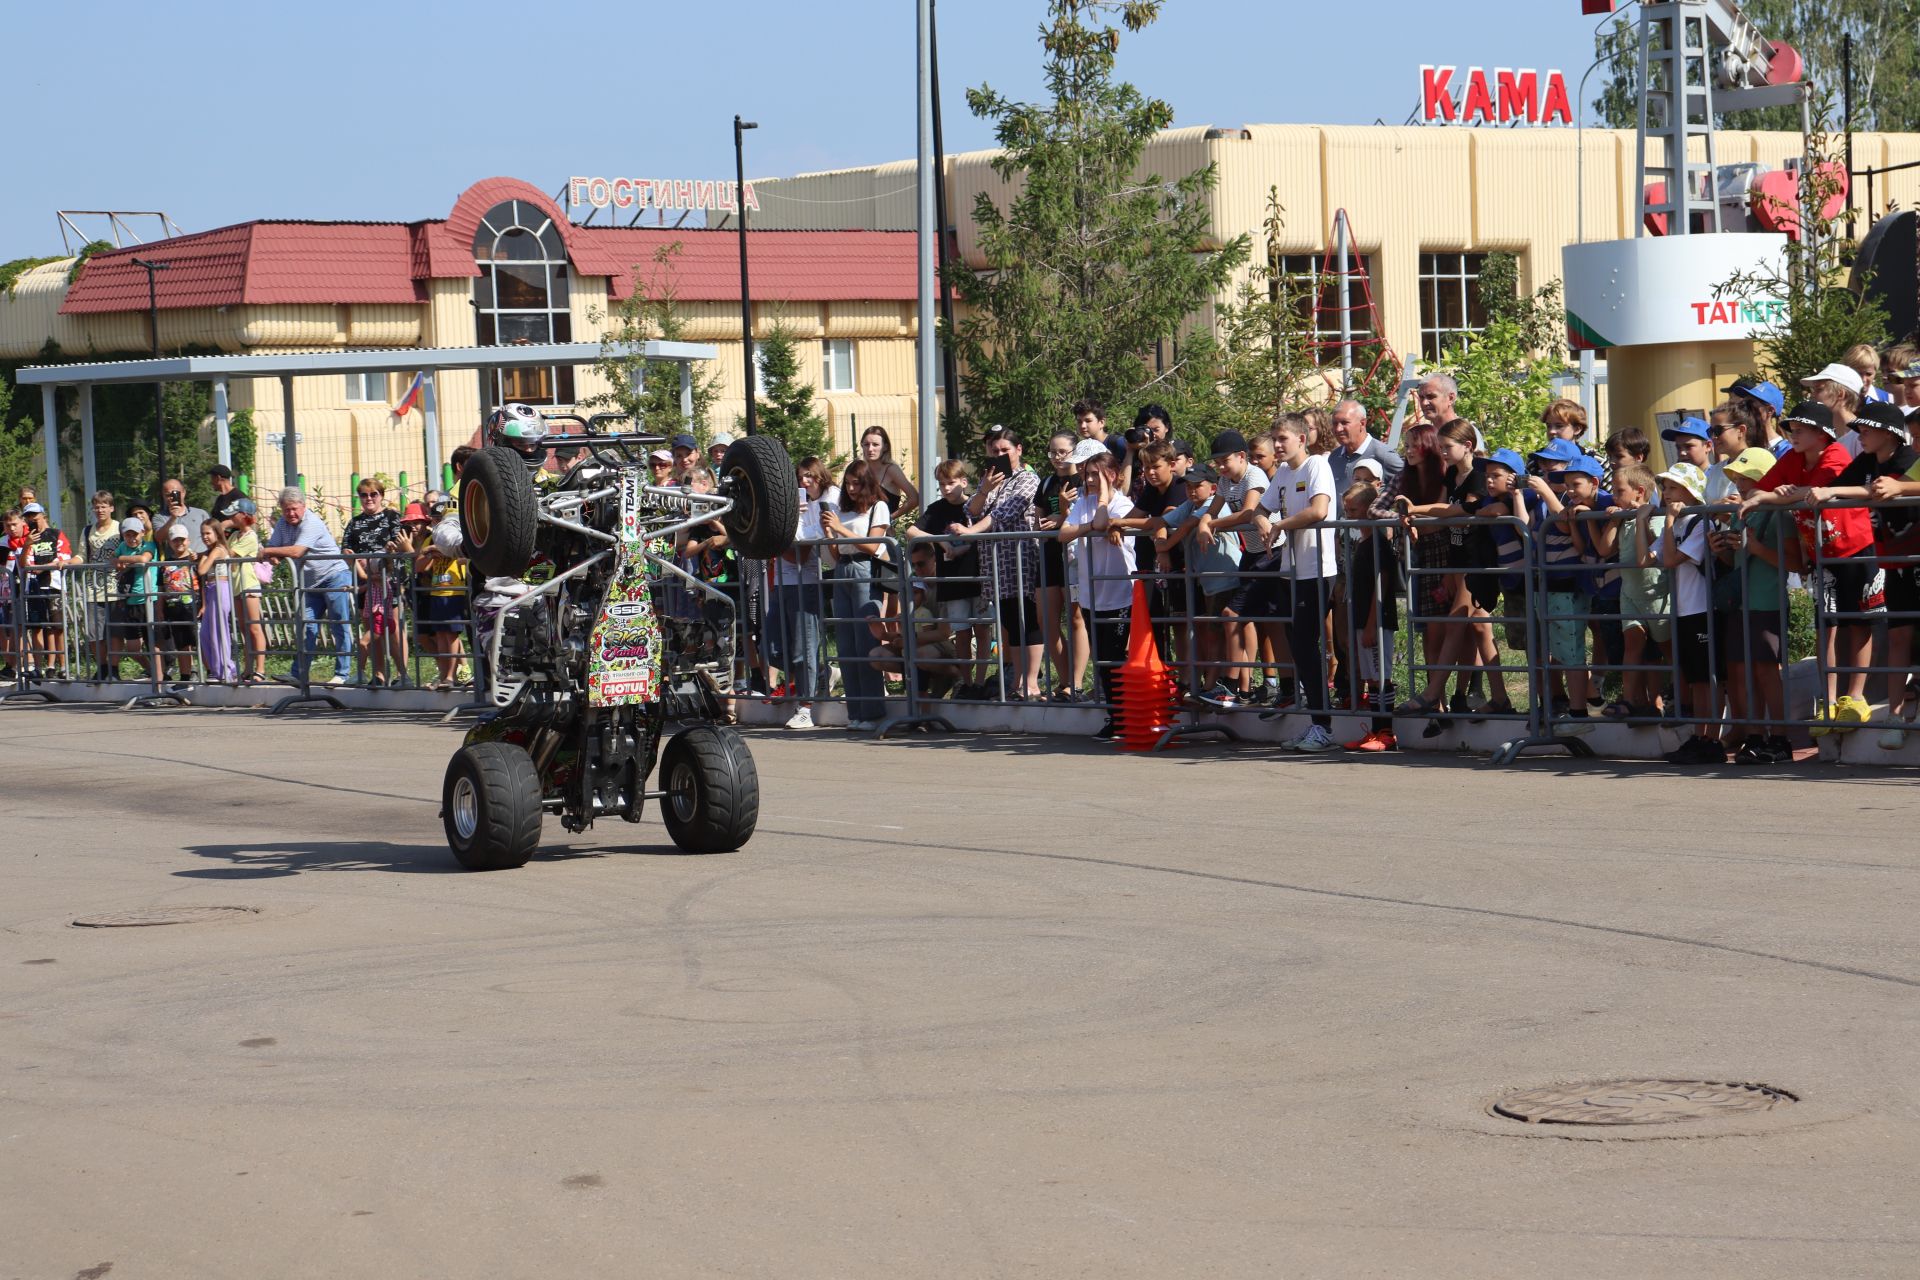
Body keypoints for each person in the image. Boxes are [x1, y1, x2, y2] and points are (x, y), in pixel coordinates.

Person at [1740, 401, 1878, 736]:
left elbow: (1816, 493)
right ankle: (1828, 703)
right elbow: (1762, 490)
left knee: (1858, 624)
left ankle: (1855, 698)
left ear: (1821, 433)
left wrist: (1779, 495)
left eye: (1799, 430)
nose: (1792, 435)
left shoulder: (1835, 455)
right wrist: (1773, 494)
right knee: (1825, 627)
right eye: (1790, 430)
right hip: (1820, 556)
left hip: (1855, 549)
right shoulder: (1792, 458)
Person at [1808, 400, 1920, 747]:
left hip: (1914, 560)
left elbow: (1891, 487)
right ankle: (1896, 717)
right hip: (1896, 565)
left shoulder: (1909, 461)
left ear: (1889, 433)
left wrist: (1900, 488)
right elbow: (1851, 487)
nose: (1860, 434)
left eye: (1866, 429)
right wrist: (1767, 495)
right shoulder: (1869, 461)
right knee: (1899, 639)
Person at [1717, 447, 1798, 764]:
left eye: (1745, 478)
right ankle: (1753, 736)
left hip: (1767, 603)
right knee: (1742, 671)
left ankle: (1779, 740)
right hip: (1741, 604)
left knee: (1766, 670)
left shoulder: (1781, 514)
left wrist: (1756, 547)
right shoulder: (1744, 512)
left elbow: (1795, 563)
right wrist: (1720, 549)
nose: (1738, 484)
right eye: (1736, 479)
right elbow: (1736, 559)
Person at [1058, 438, 1136, 740]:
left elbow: (1104, 523)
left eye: (1095, 474)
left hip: (1119, 593)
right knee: (1102, 659)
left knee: (1116, 657)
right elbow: (1063, 534)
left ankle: (1126, 716)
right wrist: (1088, 527)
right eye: (1086, 474)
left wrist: (1102, 502)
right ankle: (1114, 716)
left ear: (1111, 475)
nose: (1087, 479)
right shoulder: (1083, 503)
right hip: (1093, 594)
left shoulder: (1122, 504)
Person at [959, 425, 1045, 700]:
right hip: (996, 564)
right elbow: (971, 509)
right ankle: (1018, 681)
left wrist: (972, 531)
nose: (999, 455)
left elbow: (1004, 514)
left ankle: (1032, 682)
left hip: (1021, 560)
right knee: (1010, 622)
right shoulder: (991, 479)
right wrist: (984, 489)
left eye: (1005, 450)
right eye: (994, 450)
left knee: (1027, 620)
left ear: (1018, 450)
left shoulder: (1027, 478)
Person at [1197, 429, 1270, 706]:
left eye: (1224, 461)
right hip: (1252, 553)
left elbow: (1249, 512)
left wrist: (1210, 524)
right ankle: (1244, 687)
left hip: (1272, 550)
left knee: (1234, 614)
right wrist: (1205, 521)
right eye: (1217, 462)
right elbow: (1212, 508)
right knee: (1243, 617)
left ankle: (1232, 683)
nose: (1220, 467)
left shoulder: (1254, 475)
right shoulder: (1225, 480)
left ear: (1242, 457)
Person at [1656, 463, 1722, 764]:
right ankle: (1699, 735)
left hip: (1702, 607)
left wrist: (1668, 521)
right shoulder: (1679, 521)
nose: (1666, 493)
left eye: (1672, 487)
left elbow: (1670, 559)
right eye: (1665, 488)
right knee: (1695, 677)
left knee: (1708, 677)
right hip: (1682, 608)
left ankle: (1712, 738)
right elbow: (1648, 557)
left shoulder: (1699, 520)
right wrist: (1648, 518)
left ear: (1689, 491)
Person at [1155, 464, 1240, 695]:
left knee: (1218, 635)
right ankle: (1211, 686)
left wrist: (1165, 545)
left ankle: (1219, 687)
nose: (1192, 491)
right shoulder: (1192, 505)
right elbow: (1161, 521)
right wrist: (1161, 549)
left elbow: (1188, 525)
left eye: (1197, 486)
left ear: (1213, 488)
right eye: (1188, 487)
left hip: (1224, 578)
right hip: (1208, 581)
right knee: (1210, 634)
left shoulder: (1213, 507)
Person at [908, 458, 988, 700]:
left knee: (982, 630)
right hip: (952, 583)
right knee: (962, 633)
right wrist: (939, 541)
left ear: (963, 481)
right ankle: (965, 681)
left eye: (951, 482)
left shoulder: (975, 505)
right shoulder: (937, 509)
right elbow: (911, 530)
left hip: (978, 576)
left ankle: (981, 682)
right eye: (941, 484)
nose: (946, 488)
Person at [822, 459, 893, 729]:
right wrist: (831, 534)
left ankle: (873, 712)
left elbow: (875, 546)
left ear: (867, 484)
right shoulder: (845, 511)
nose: (851, 488)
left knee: (865, 642)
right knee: (846, 644)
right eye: (847, 483)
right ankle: (856, 712)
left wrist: (840, 529)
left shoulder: (879, 507)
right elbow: (838, 554)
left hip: (865, 571)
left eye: (856, 483)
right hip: (843, 570)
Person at [261, 487, 352, 686]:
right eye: (286, 510)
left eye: (294, 508)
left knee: (338, 624)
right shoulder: (283, 524)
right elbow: (275, 547)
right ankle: (299, 673)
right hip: (310, 583)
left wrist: (270, 551)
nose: (291, 513)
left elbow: (296, 551)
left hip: (334, 575)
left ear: (303, 506)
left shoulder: (312, 522)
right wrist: (274, 553)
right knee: (306, 626)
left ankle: (342, 674)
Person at [1603, 463, 1670, 722]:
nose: (1613, 496)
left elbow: (1658, 543)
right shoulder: (1623, 518)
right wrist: (1612, 521)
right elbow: (1604, 549)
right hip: (1629, 592)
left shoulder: (1655, 515)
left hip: (1655, 593)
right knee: (1632, 643)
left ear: (1639, 492)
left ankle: (1674, 698)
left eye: (1619, 491)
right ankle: (1630, 699)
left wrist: (1642, 518)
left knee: (1667, 648)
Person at [1337, 476, 1399, 751]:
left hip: (1377, 621)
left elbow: (1382, 585)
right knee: (1371, 676)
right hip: (1363, 620)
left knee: (1380, 675)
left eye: (1354, 511)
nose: (1349, 516)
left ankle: (1386, 732)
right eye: (1346, 510)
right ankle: (1374, 731)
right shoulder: (1362, 543)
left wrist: (1372, 624)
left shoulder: (1377, 544)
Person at [771, 457, 830, 728]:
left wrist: (772, 542)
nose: (803, 482)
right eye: (799, 478)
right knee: (771, 648)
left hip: (804, 583)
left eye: (809, 477)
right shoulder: (788, 507)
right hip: (780, 583)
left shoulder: (812, 509)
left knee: (802, 650)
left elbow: (799, 553)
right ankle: (822, 675)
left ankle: (806, 705)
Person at [1030, 430, 1085, 699]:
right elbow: (1038, 517)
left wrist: (1062, 516)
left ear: (1075, 451)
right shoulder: (1047, 482)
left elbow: (1082, 515)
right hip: (1048, 555)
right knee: (1046, 620)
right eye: (1052, 452)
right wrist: (1045, 520)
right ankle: (1064, 681)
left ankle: (1076, 682)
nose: (1057, 457)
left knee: (1076, 617)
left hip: (1074, 555)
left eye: (1062, 451)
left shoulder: (1084, 479)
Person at [341, 477, 404, 686]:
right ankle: (378, 674)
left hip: (389, 581)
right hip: (365, 583)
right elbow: (345, 549)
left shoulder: (392, 517)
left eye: (373, 494)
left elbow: (401, 545)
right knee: (372, 630)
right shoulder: (354, 523)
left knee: (393, 630)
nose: (369, 498)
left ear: (381, 496)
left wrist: (386, 558)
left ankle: (402, 675)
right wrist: (350, 556)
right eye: (364, 495)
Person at [414, 517, 469, 690]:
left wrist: (440, 550)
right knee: (440, 635)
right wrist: (430, 551)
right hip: (436, 590)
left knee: (451, 635)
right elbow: (418, 567)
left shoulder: (457, 535)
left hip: (455, 590)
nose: (438, 523)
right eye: (435, 519)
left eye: (441, 518)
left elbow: (460, 555)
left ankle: (451, 677)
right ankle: (444, 676)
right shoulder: (432, 539)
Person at [18, 502, 71, 679]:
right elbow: (24, 565)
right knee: (37, 628)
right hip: (33, 587)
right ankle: (38, 669)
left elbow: (63, 559)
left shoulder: (56, 534)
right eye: (28, 516)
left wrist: (42, 567)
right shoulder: (28, 538)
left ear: (43, 515)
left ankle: (63, 668)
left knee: (58, 627)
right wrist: (26, 545)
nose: (32, 518)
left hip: (55, 586)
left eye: (34, 514)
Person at [225, 498, 269, 683]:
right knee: (244, 629)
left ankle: (260, 668)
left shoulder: (251, 536)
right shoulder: (235, 536)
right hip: (236, 586)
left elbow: (228, 554)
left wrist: (220, 530)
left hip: (249, 585)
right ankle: (248, 667)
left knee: (254, 627)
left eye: (233, 516)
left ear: (244, 516)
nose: (230, 519)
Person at [78, 491, 121, 680]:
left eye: (104, 506)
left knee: (114, 633)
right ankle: (102, 667)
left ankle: (114, 669)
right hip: (93, 588)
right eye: (96, 506)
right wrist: (66, 562)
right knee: (93, 634)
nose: (100, 509)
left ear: (111, 508)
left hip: (116, 588)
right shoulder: (88, 530)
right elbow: (81, 555)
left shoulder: (120, 528)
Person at [195, 512, 240, 683]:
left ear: (216, 533)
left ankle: (226, 670)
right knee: (207, 633)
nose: (205, 537)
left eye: (208, 533)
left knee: (218, 632)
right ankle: (217, 669)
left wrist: (203, 556)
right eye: (202, 534)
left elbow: (201, 570)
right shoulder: (212, 551)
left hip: (221, 589)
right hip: (212, 589)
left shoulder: (218, 550)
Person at [153, 524, 198, 683]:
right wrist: (159, 608)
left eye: (182, 539)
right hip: (173, 607)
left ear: (188, 540)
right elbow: (160, 588)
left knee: (197, 639)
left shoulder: (195, 560)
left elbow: (203, 582)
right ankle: (185, 675)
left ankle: (208, 671)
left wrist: (204, 605)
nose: (179, 543)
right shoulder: (164, 564)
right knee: (182, 643)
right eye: (175, 540)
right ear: (170, 542)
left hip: (193, 605)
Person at [1327, 399, 1404, 492]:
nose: (1338, 429)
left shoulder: (1383, 455)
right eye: (1335, 423)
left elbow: (1410, 485)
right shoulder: (1334, 457)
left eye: (1344, 423)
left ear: (1362, 423)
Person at [1801, 362, 1864, 458]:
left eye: (1818, 389)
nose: (1812, 395)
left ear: (1840, 394)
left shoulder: (1860, 437)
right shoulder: (1825, 436)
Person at [858, 425, 922, 518]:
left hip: (884, 530)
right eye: (866, 444)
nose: (870, 449)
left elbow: (914, 498)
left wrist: (890, 518)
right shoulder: (861, 470)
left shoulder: (891, 470)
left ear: (885, 447)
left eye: (875, 444)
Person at [1723, 376, 1788, 455]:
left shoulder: (1785, 451)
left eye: (1750, 404)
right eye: (1743, 403)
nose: (1744, 408)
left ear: (1770, 411)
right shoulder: (1743, 449)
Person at [155, 479, 211, 553]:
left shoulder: (201, 514)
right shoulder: (159, 517)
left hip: (200, 561)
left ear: (183, 492)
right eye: (168, 495)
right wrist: (172, 518)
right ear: (163, 496)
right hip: (174, 562)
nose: (171, 497)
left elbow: (213, 537)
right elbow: (159, 538)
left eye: (175, 493)